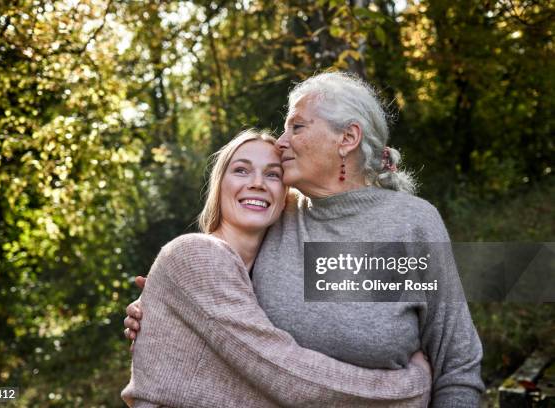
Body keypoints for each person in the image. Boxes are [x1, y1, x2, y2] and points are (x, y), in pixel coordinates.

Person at [124, 72, 485, 407]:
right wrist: (157, 304)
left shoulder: (412, 223)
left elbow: (458, 363)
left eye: (296, 126)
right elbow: (211, 275)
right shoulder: (278, 216)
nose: (281, 143)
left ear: (347, 138)